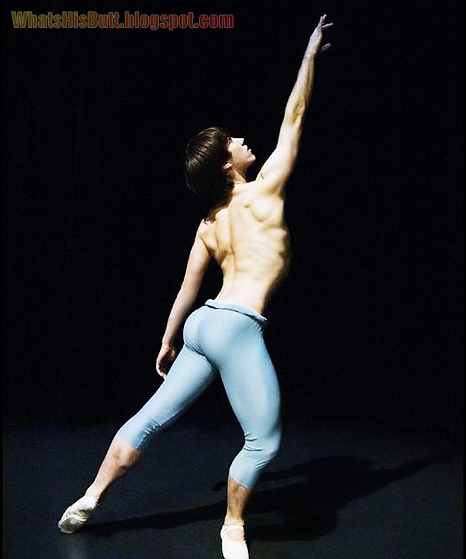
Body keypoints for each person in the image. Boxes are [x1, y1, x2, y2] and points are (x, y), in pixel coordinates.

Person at [57, 15, 332, 559]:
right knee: (264, 441)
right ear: (228, 163)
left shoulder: (209, 223)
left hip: (202, 323)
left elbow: (188, 287)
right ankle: (232, 526)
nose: (244, 140)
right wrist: (308, 57)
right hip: (235, 326)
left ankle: (89, 498)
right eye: (234, 141)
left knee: (149, 419)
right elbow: (294, 117)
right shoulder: (263, 192)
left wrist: (168, 338)